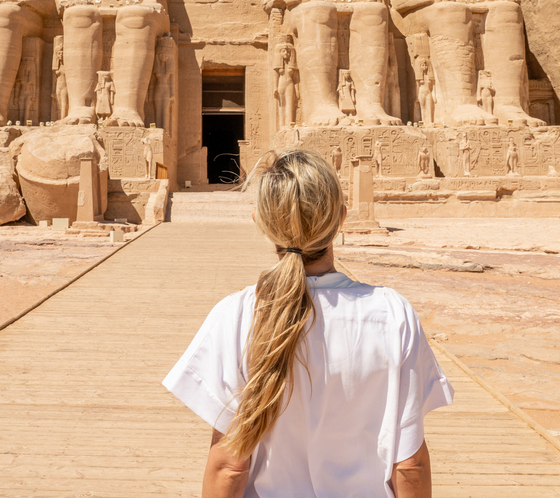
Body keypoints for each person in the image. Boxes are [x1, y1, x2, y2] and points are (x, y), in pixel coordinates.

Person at [163, 149, 453, 497]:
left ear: (260, 222)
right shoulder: (392, 314)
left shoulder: (238, 315)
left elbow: (230, 467)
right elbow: (409, 466)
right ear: (342, 218)